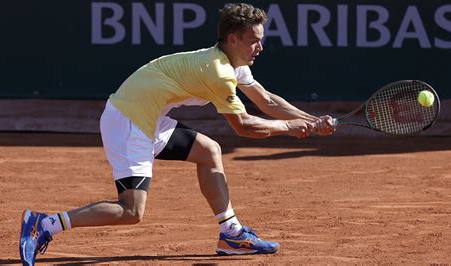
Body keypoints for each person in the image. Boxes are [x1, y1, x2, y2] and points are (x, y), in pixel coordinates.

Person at [19, 3, 335, 265]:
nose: (261, 47)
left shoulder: (232, 63)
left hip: (148, 116)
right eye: (254, 40)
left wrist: (313, 119)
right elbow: (244, 126)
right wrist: (289, 128)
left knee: (208, 150)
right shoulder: (218, 72)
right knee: (130, 211)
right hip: (129, 122)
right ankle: (44, 224)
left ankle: (232, 235)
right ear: (233, 39)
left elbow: (266, 101)